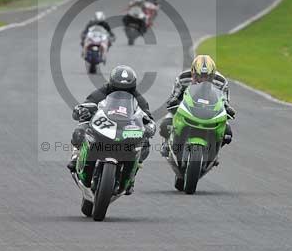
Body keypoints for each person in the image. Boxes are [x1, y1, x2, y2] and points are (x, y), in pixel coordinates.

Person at [67, 65, 157, 194]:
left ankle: (131, 175)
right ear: (111, 84)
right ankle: (76, 155)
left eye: (127, 90)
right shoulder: (104, 90)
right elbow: (87, 102)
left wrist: (149, 126)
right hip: (104, 123)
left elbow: (148, 116)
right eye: (117, 89)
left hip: (125, 129)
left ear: (133, 88)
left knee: (145, 143)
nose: (122, 92)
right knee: (80, 130)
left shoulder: (138, 97)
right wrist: (83, 110)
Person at [159, 55, 235, 158]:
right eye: (200, 76)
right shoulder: (183, 78)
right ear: (193, 73)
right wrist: (173, 102)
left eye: (207, 76)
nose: (203, 79)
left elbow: (224, 102)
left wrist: (228, 109)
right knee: (165, 124)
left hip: (211, 110)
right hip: (185, 108)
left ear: (212, 75)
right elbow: (174, 96)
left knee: (228, 133)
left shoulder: (220, 82)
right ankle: (168, 144)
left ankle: (214, 152)